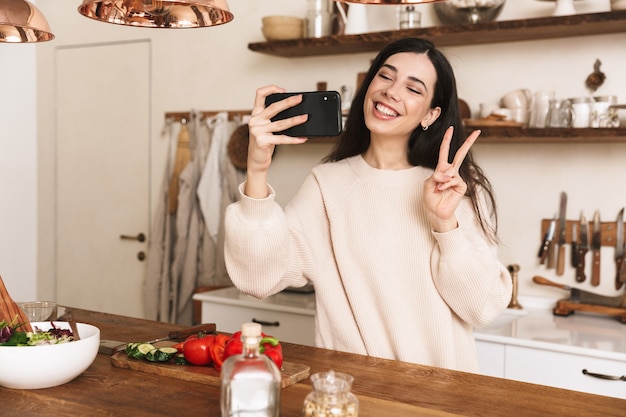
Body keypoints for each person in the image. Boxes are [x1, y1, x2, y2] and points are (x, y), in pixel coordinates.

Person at [224, 38, 512, 373]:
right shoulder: (327, 185)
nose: (391, 91)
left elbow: (482, 309)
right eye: (385, 76)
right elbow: (258, 277)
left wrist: (445, 226)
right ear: (368, 86)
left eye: (413, 88)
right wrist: (257, 169)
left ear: (431, 114)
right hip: (351, 395)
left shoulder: (454, 188)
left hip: (440, 399)